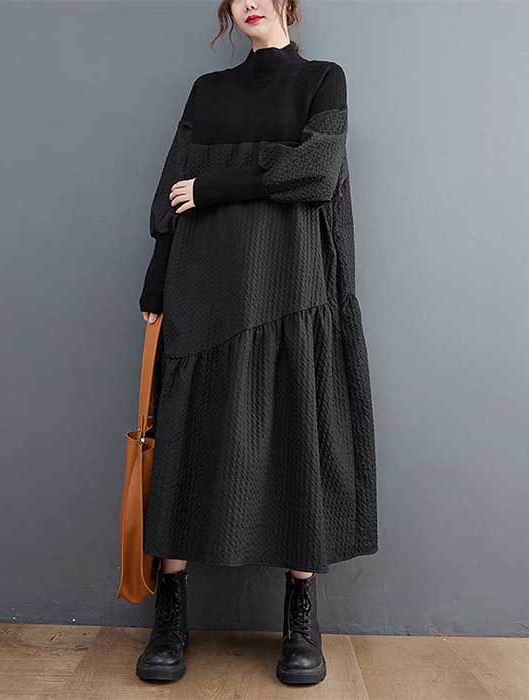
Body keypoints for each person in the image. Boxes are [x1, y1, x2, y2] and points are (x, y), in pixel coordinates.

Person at [135, 0, 378, 686]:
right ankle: (170, 614)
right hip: (204, 285)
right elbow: (170, 196)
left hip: (289, 286)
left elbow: (318, 172)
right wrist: (156, 283)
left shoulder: (322, 79)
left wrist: (216, 186)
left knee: (297, 433)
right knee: (188, 440)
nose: (248, 1)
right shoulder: (208, 91)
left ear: (287, 4)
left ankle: (301, 616)